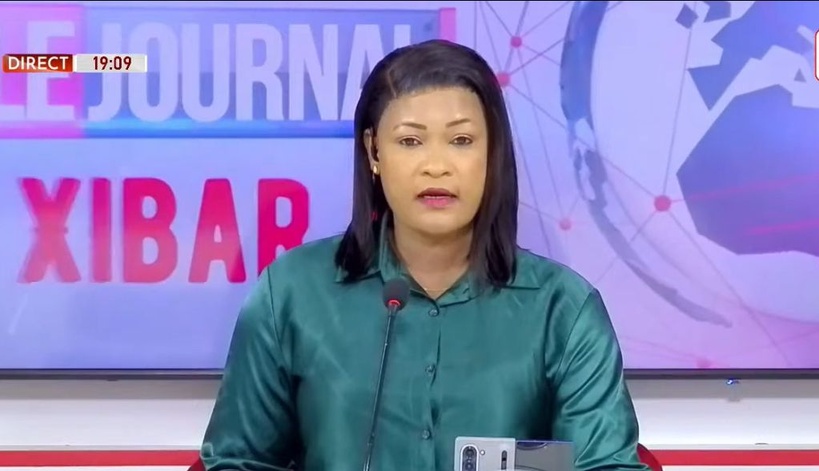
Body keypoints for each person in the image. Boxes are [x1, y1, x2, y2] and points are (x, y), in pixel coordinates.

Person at [199, 39, 649, 471]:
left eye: (461, 140)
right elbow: (238, 461)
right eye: (411, 141)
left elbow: (605, 466)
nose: (436, 166)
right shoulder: (292, 293)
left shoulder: (563, 310)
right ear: (374, 151)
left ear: (492, 152)